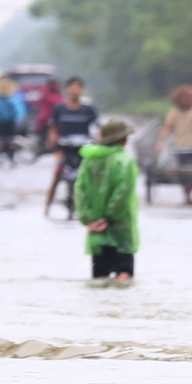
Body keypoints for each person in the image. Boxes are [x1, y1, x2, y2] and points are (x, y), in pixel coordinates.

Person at [74, 118, 140, 282]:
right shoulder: (124, 162)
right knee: (124, 274)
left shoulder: (89, 160)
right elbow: (122, 194)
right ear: (122, 140)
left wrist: (89, 219)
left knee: (100, 276)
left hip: (95, 228)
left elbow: (80, 190)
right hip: (120, 227)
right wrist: (109, 218)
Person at [44, 77, 100, 213]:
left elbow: (99, 127)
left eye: (78, 88)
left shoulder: (88, 110)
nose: (75, 91)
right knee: (57, 174)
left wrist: (99, 141)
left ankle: (95, 206)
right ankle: (47, 207)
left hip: (83, 149)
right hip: (64, 148)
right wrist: (53, 138)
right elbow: (52, 127)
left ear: (82, 90)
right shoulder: (60, 109)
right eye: (72, 88)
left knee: (91, 176)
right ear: (67, 90)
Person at [157, 85, 192, 203]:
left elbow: (166, 128)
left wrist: (160, 142)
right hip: (191, 148)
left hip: (182, 147)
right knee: (191, 171)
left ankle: (187, 195)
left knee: (184, 172)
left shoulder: (174, 112)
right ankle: (188, 195)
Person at [0, 76, 26, 164]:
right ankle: (11, 157)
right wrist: (18, 120)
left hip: (0, 123)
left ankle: (0, 155)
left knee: (0, 139)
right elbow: (19, 111)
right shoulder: (14, 98)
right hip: (10, 122)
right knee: (11, 139)